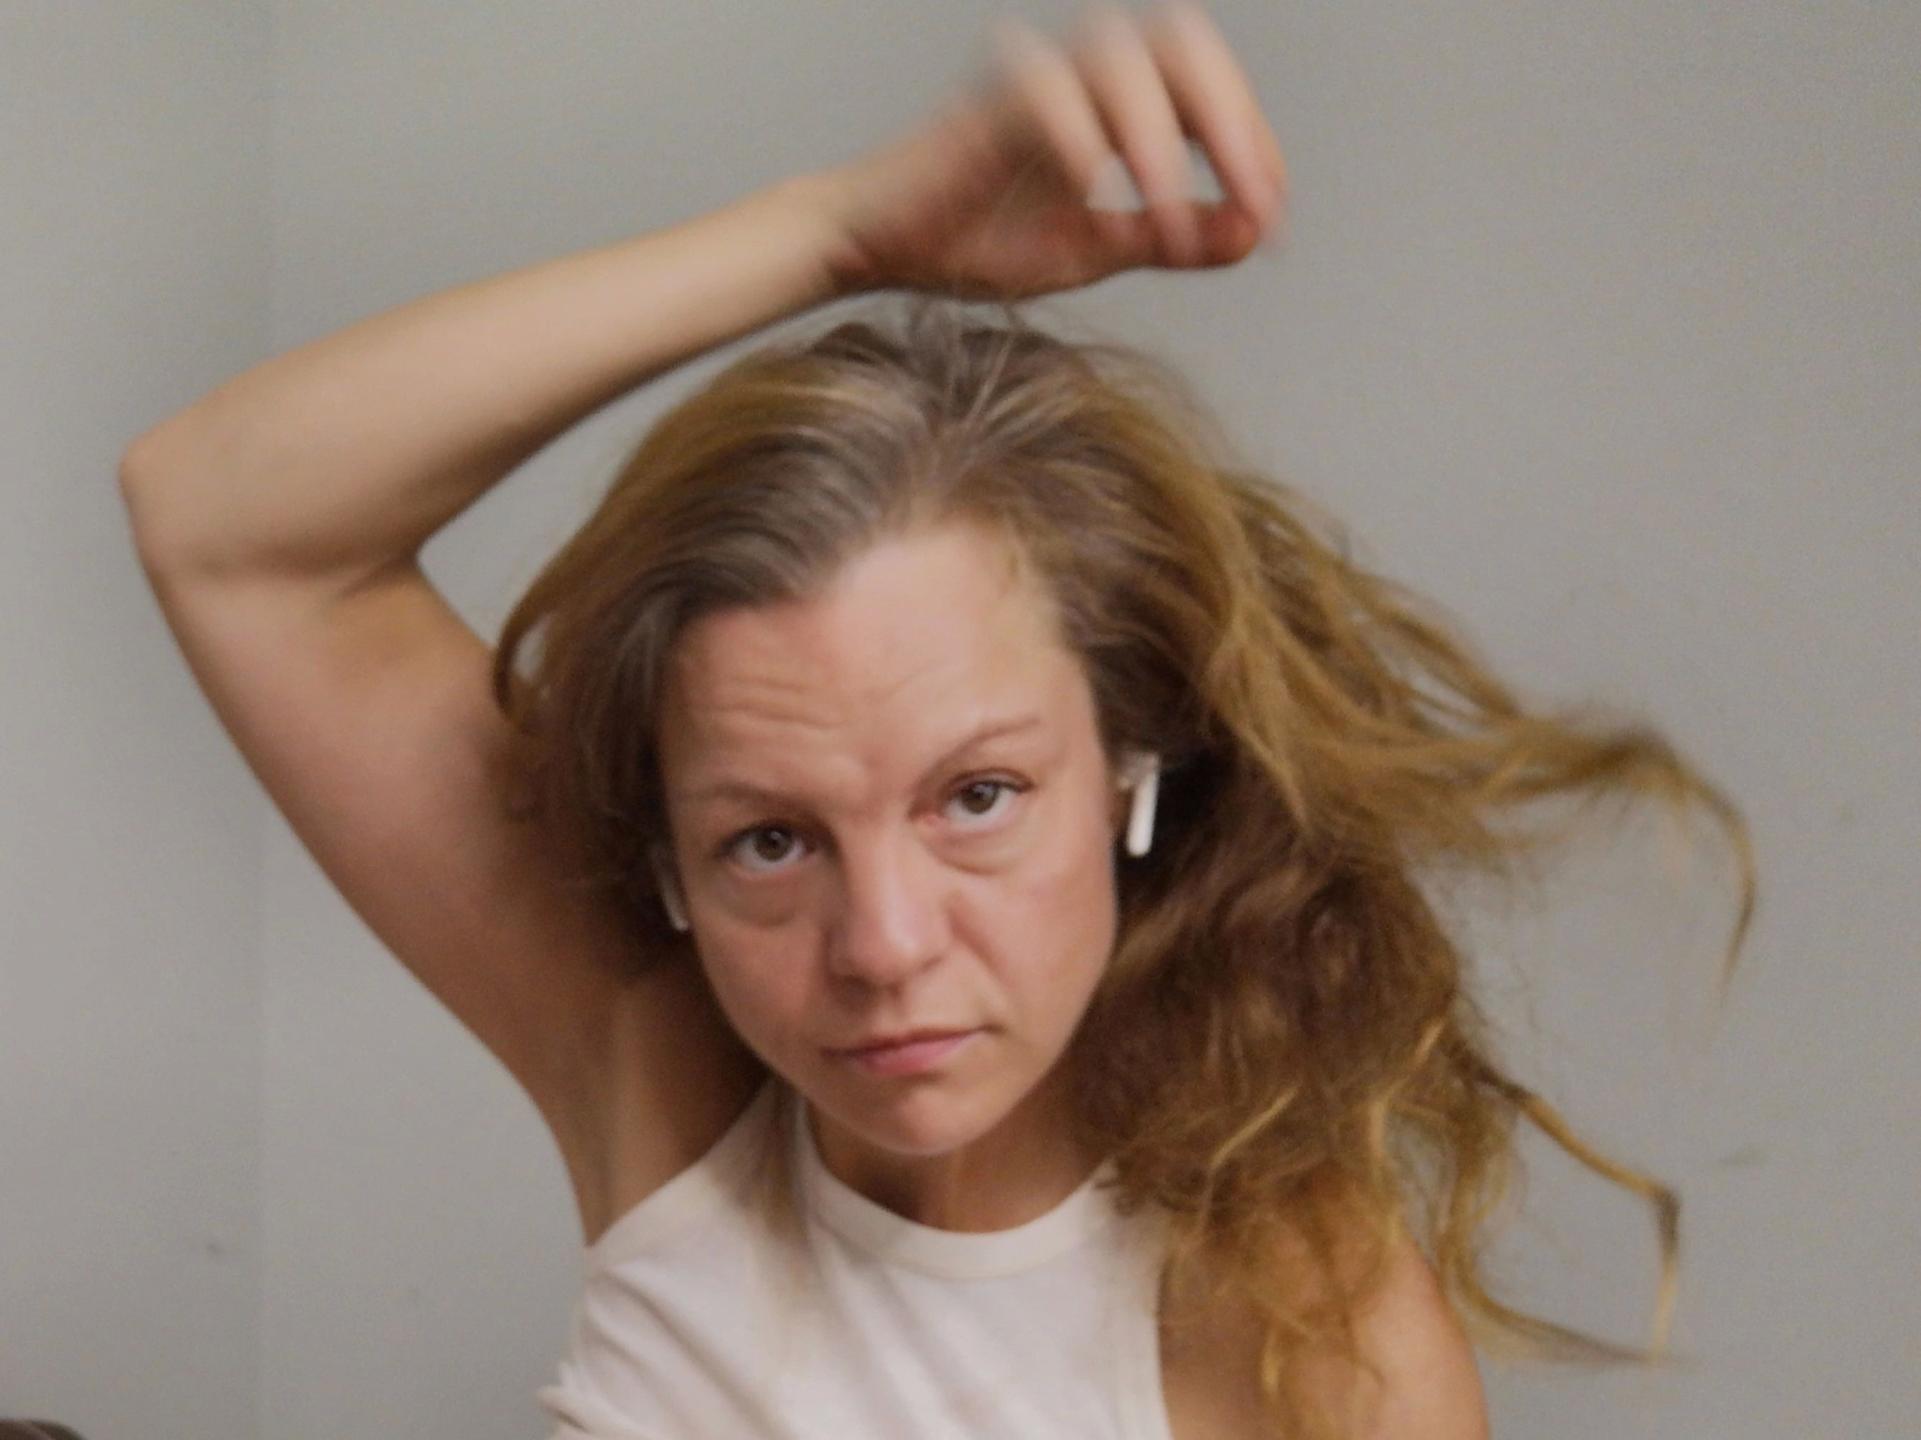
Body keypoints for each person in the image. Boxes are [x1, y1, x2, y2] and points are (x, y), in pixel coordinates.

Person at [117, 5, 1754, 1438]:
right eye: (769, 841)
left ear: (1128, 772)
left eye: (976, 797)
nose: (883, 947)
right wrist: (832, 232)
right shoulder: (660, 1066)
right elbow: (223, 516)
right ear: (670, 865)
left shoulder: (1303, 1322)